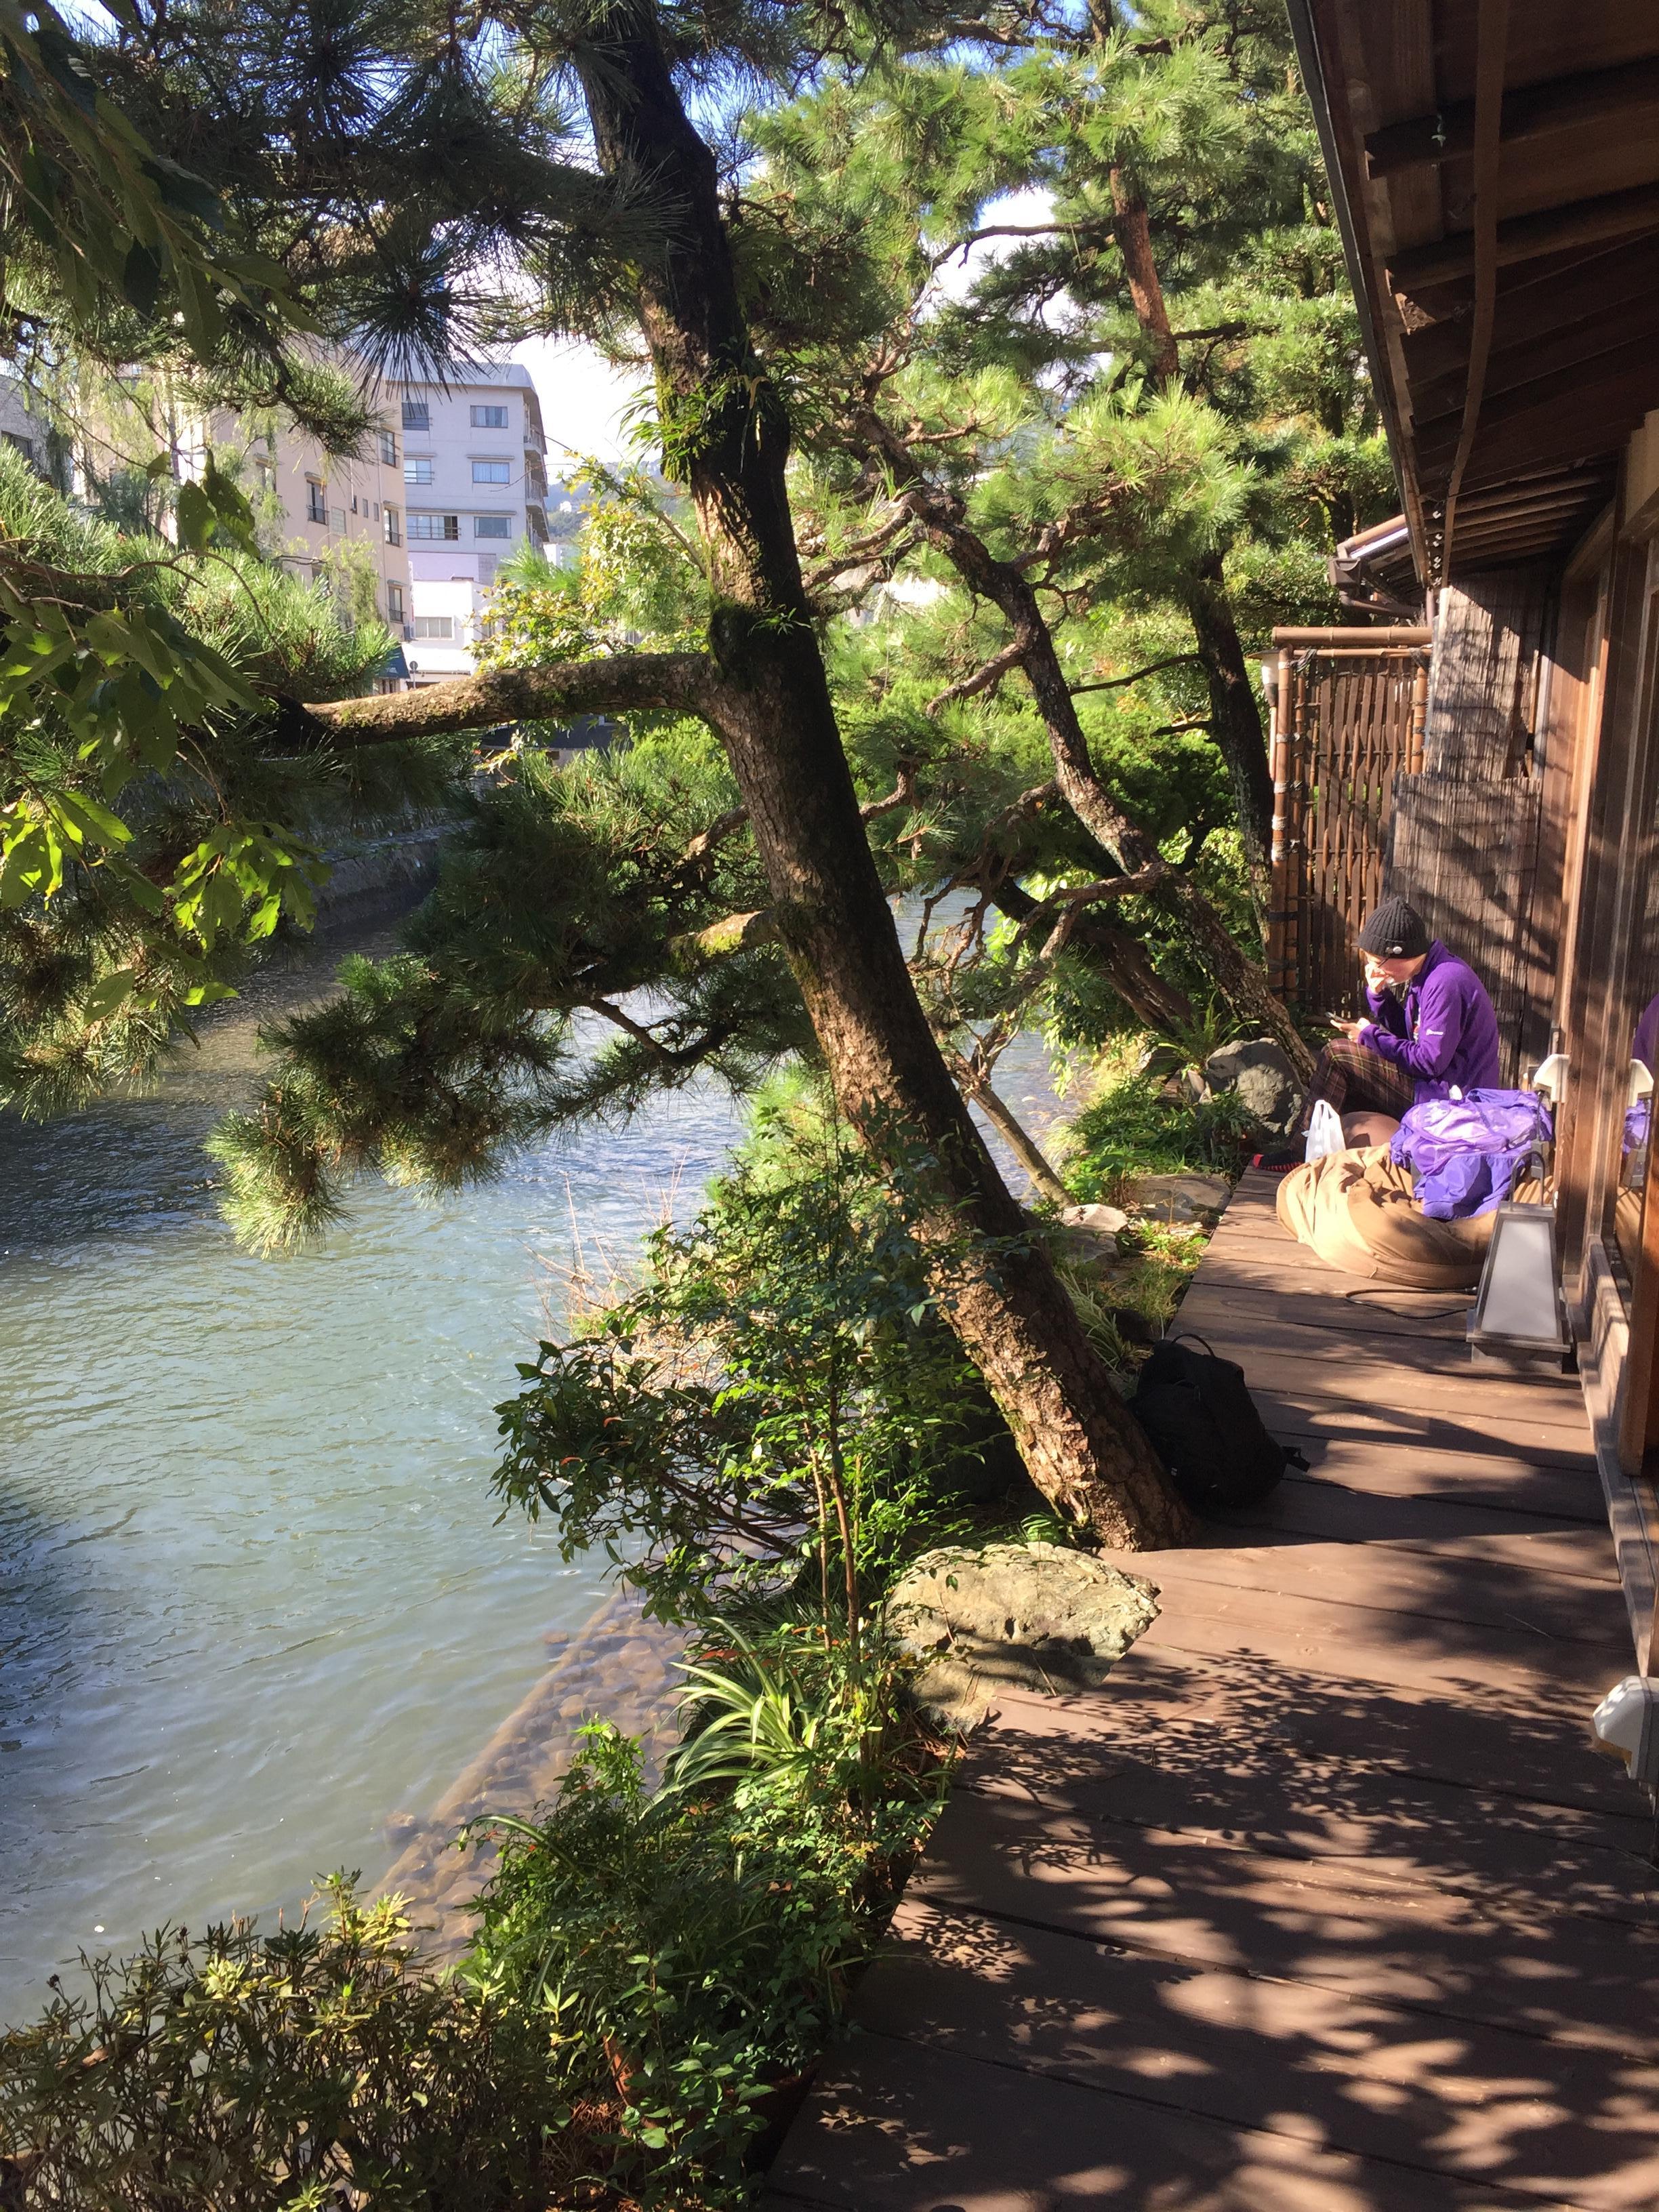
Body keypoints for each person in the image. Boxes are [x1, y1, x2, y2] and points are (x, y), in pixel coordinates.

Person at [1263, 897, 1502, 1165]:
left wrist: (1370, 1036)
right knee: (1347, 1063)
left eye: (1377, 962)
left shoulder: (1445, 982)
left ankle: (1300, 1151)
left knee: (1338, 1054)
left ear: (1398, 953)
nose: (1373, 969)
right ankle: (1325, 1155)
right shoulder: (1426, 975)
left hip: (1451, 1101)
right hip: (1435, 1086)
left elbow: (1428, 1061)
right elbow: (1408, 1036)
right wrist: (1380, 997)